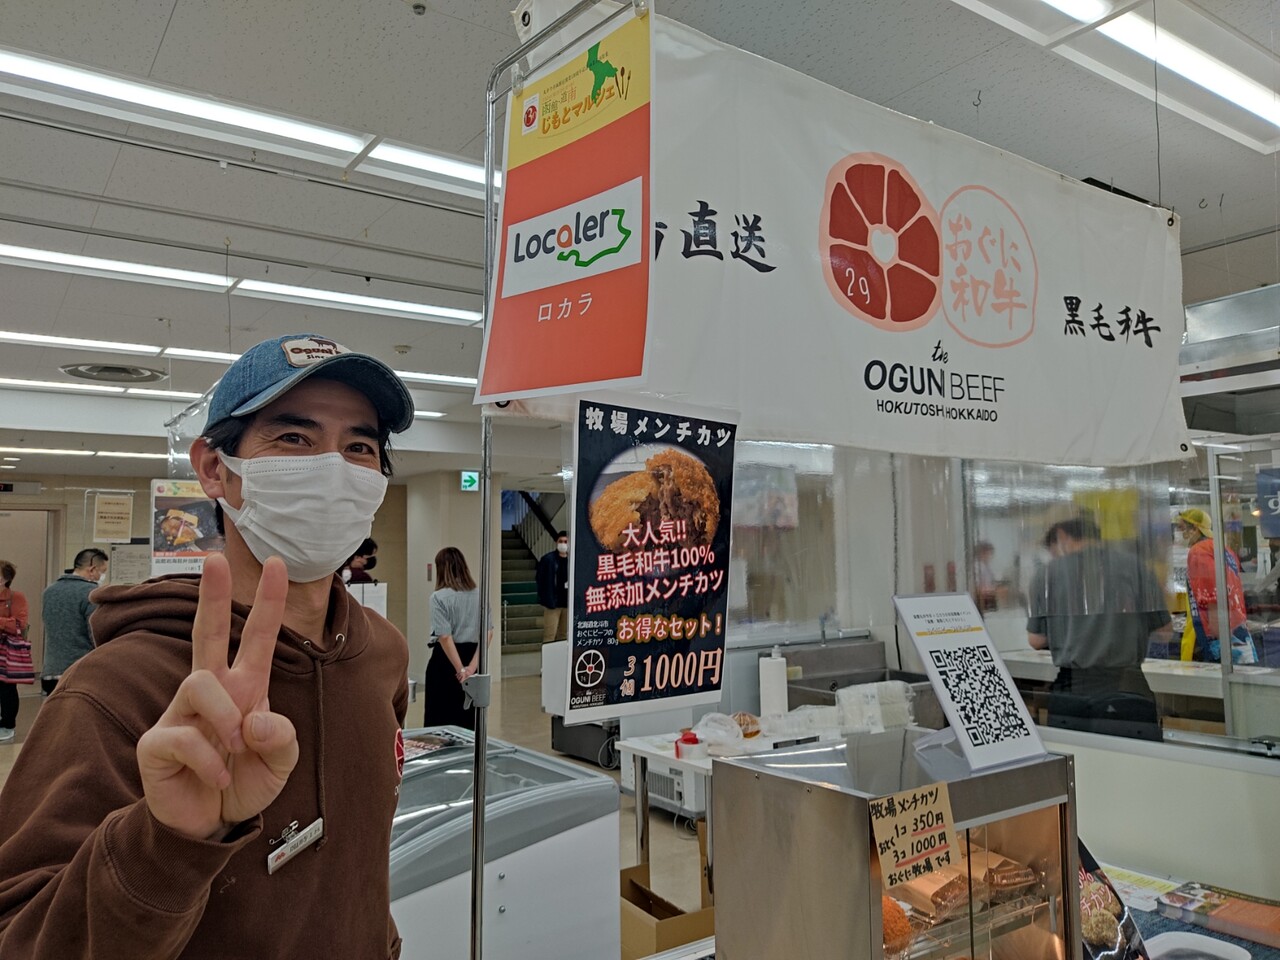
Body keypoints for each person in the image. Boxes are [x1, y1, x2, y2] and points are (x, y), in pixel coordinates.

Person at [0, 332, 414, 957]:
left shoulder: (381, 651)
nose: (333, 469)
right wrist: (164, 843)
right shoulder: (116, 687)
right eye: (293, 438)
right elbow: (20, 937)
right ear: (215, 469)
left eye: (359, 447)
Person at [1026, 518, 1170, 734]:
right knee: (1134, 754)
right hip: (1127, 687)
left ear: (1062, 536)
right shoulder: (1136, 567)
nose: (1055, 556)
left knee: (1073, 755)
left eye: (1052, 549)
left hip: (1073, 691)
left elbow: (1036, 640)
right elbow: (1164, 632)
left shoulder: (1046, 574)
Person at [1177, 508, 1259, 664]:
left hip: (1217, 634)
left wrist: (1218, 636)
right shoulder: (1223, 549)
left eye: (1181, 528)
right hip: (1236, 628)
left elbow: (1212, 593)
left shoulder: (1199, 551)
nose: (1178, 533)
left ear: (1195, 529)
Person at [424, 547, 490, 730]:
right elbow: (488, 632)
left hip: (446, 660)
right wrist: (471, 668)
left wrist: (460, 669)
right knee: (468, 714)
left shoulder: (438, 597)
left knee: (440, 715)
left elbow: (445, 637)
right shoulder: (480, 594)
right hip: (473, 657)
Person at [39, 548, 109, 696]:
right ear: (92, 569)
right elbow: (95, 632)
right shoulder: (92, 593)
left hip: (51, 670)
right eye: (102, 572)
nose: (102, 576)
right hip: (81, 671)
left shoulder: (49, 591)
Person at [0, 561, 30, 742]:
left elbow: (19, 624)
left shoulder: (15, 597)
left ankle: (8, 725)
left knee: (6, 687)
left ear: (5, 578)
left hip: (5, 648)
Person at [536, 530, 570, 642]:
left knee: (564, 635)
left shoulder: (572, 560)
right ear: (556, 542)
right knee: (549, 635)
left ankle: (560, 654)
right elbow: (540, 580)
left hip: (568, 604)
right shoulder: (548, 560)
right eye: (561, 541)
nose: (563, 544)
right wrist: (545, 598)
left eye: (565, 541)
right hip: (552, 604)